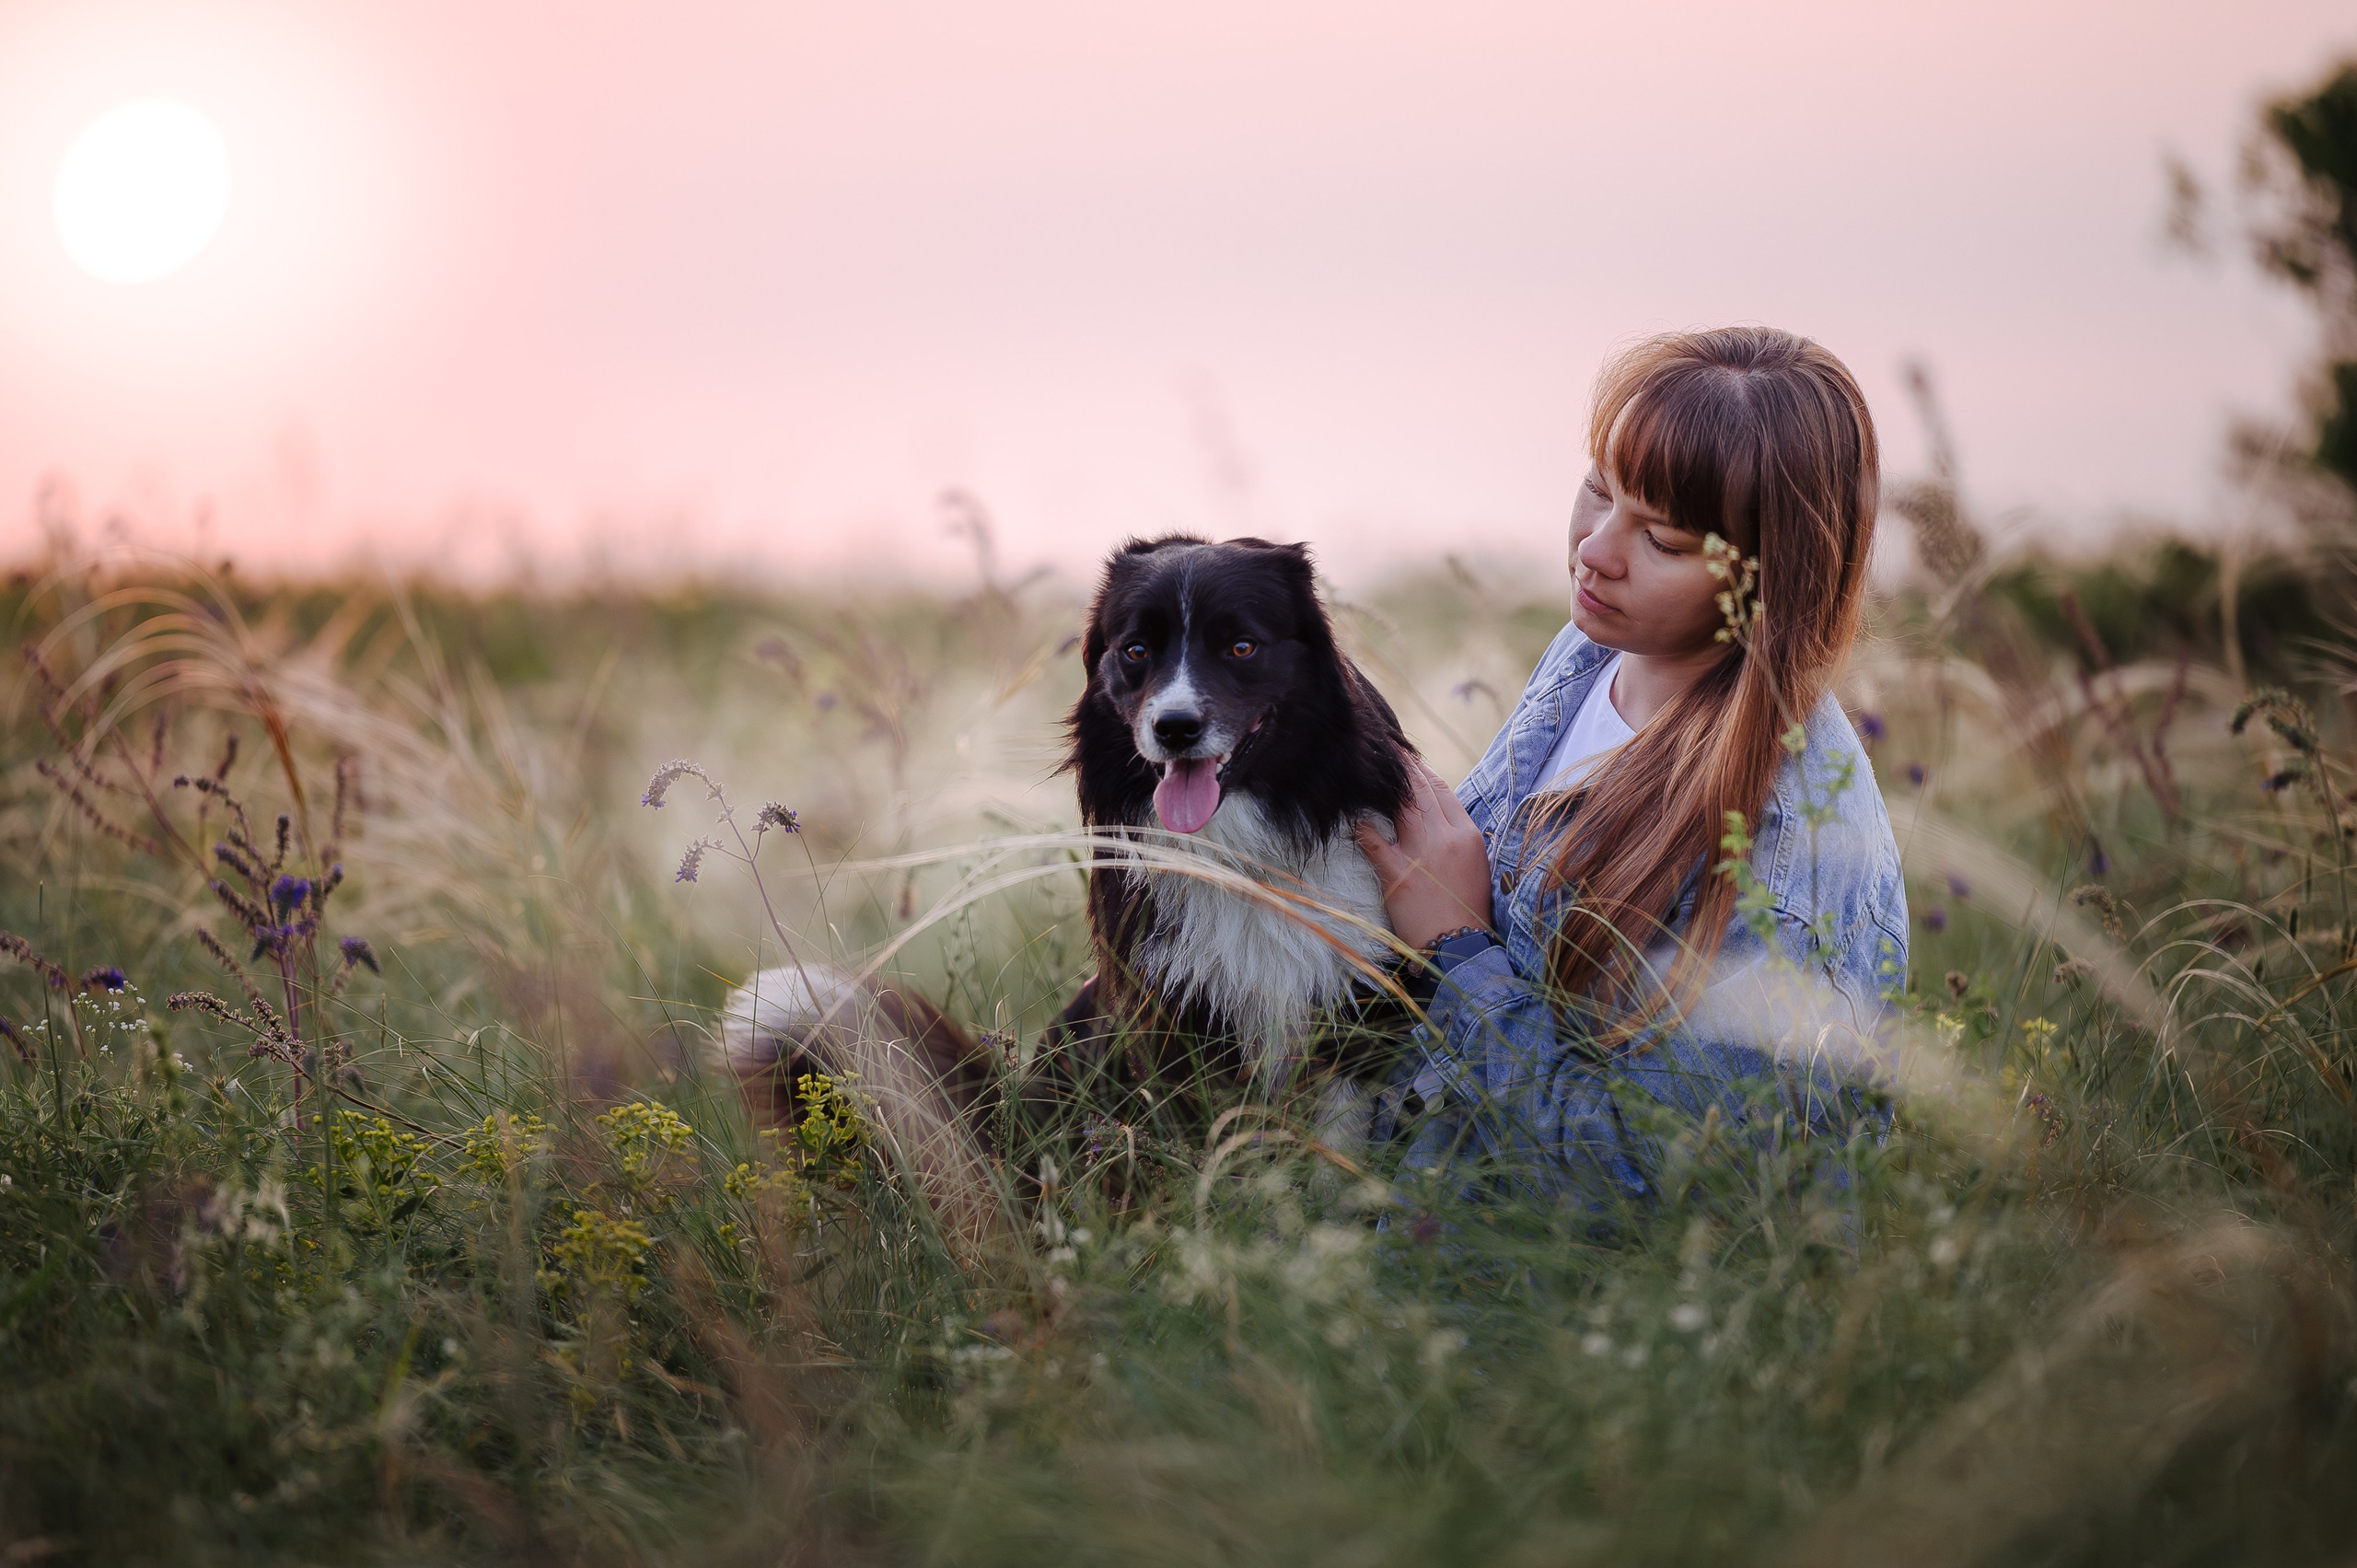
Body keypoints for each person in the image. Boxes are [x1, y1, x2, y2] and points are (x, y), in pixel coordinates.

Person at [1353, 326, 1907, 1215]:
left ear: (1774, 576)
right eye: (1599, 490)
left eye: (1664, 540)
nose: (1595, 550)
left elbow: (1649, 1186)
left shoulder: (1778, 863)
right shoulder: (1596, 650)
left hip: (1549, 1293)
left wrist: (1456, 951)